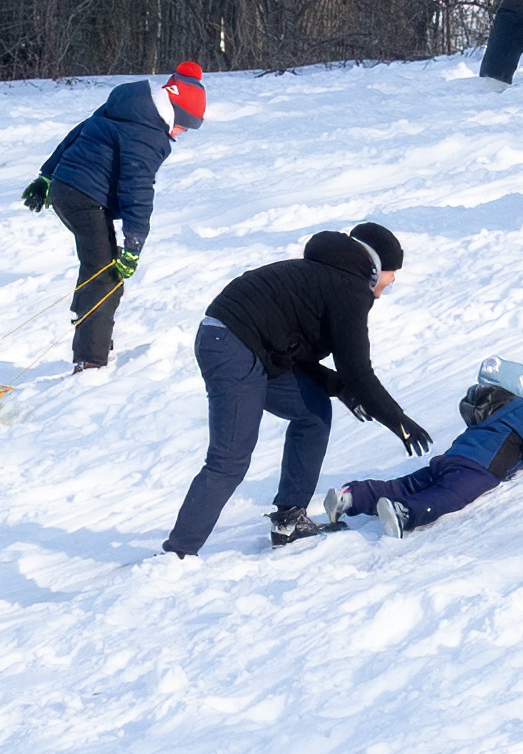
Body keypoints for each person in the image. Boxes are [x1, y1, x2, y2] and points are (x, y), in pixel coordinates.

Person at [169, 224, 429, 556]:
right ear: (376, 267)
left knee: (313, 411)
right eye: (389, 278)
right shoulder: (349, 288)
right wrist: (397, 419)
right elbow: (357, 370)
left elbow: (292, 347)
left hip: (246, 346)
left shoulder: (329, 275)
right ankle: (178, 552)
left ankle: (290, 519)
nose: (386, 287)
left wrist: (338, 387)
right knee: (230, 459)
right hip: (232, 344)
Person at [26, 61, 204, 370]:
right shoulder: (150, 135)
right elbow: (137, 191)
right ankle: (90, 359)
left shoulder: (128, 104)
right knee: (106, 275)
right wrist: (133, 245)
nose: (181, 133)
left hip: (66, 190)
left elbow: (78, 132)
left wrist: (47, 175)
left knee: (99, 267)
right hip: (85, 198)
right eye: (184, 125)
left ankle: (90, 332)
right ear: (173, 111)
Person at [311, 358, 523, 538]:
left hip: (451, 459)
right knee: (448, 496)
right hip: (477, 470)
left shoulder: (486, 410)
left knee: (403, 485)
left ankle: (352, 495)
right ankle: (404, 514)